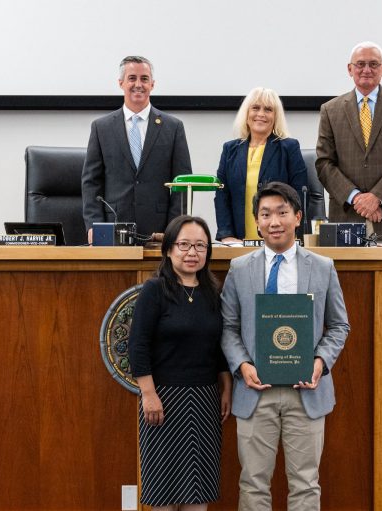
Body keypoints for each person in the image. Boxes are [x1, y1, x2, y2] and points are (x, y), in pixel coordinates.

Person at [220, 182, 350, 511]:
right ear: (257, 222)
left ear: (297, 217)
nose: (274, 221)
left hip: (306, 390)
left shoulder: (322, 267)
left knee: (306, 484)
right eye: (265, 214)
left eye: (281, 212)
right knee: (252, 484)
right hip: (254, 391)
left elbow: (339, 325)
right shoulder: (239, 269)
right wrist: (243, 365)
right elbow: (228, 327)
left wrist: (320, 361)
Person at [128, 215, 232, 511]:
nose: (192, 252)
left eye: (200, 246)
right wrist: (148, 395)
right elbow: (138, 346)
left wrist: (226, 387)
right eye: (184, 244)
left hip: (203, 402)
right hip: (162, 403)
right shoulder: (155, 290)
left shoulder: (213, 292)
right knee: (162, 495)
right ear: (170, 249)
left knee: (196, 496)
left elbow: (219, 347)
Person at [81, 56, 192, 244]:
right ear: (121, 83)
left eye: (144, 79)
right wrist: (94, 226)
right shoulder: (101, 127)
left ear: (153, 84)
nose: (138, 84)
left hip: (159, 233)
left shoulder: (173, 127)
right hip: (112, 229)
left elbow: (181, 183)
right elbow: (91, 182)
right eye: (132, 78)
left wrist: (175, 229)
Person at [316, 41, 382, 238]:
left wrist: (377, 197)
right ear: (350, 69)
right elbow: (324, 163)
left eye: (373, 64)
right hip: (346, 216)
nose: (366, 70)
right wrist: (356, 198)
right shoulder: (330, 110)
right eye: (360, 64)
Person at [214, 87, 307, 243]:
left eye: (268, 109)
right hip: (239, 241)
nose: (261, 114)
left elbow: (300, 194)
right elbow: (222, 196)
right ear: (246, 113)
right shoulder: (229, 150)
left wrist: (293, 236)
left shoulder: (289, 148)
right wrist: (226, 235)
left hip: (280, 240)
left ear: (276, 116)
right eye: (255, 108)